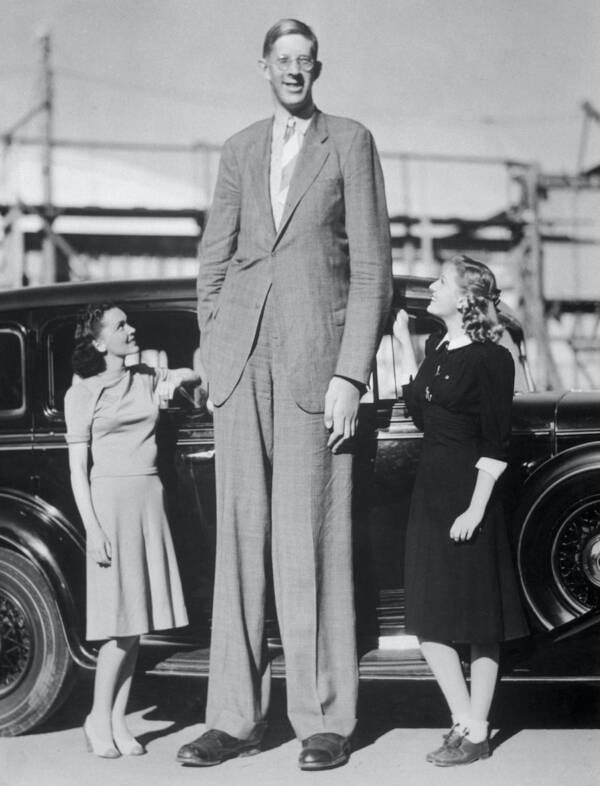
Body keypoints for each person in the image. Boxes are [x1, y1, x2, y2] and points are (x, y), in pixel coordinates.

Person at [177, 18, 392, 772]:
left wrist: (349, 374)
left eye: (305, 61)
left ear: (317, 69)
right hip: (239, 369)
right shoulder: (240, 149)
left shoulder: (351, 142)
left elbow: (372, 271)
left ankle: (324, 718)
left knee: (312, 542)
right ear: (263, 68)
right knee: (238, 543)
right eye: (282, 61)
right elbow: (213, 263)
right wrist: (213, 349)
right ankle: (234, 718)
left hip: (315, 369)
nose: (294, 71)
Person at [393, 255, 528, 767]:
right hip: (430, 494)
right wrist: (405, 344)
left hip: (470, 497)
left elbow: (496, 440)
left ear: (465, 298)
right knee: (428, 621)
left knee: (478, 620)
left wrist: (475, 508)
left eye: (440, 282)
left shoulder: (493, 359)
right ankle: (466, 722)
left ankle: (476, 730)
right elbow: (424, 416)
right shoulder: (437, 347)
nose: (430, 287)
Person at [64, 304, 200, 758]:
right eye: (120, 325)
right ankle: (97, 717)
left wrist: (179, 378)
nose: (131, 329)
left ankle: (118, 720)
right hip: (110, 504)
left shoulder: (145, 376)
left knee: (135, 623)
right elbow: (77, 471)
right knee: (119, 626)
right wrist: (93, 528)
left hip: (148, 498)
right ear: (100, 342)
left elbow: (192, 377)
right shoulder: (80, 394)